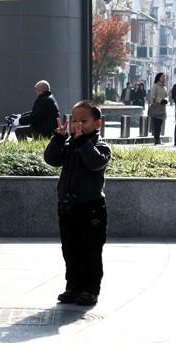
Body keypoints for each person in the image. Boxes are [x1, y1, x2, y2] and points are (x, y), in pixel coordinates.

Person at [44, 100, 111, 306]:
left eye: (84, 121)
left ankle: (90, 290)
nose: (77, 125)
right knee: (70, 249)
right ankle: (72, 286)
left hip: (91, 209)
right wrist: (59, 138)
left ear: (97, 124)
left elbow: (95, 162)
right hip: (67, 206)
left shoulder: (101, 146)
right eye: (74, 120)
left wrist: (82, 142)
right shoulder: (70, 144)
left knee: (90, 250)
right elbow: (51, 159)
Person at [148, 73, 168, 145]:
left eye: (164, 77)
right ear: (158, 77)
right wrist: (160, 100)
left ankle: (157, 138)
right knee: (157, 124)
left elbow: (166, 96)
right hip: (156, 107)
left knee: (160, 124)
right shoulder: (155, 86)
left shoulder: (165, 87)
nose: (164, 78)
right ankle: (156, 139)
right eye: (162, 77)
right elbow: (152, 96)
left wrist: (166, 100)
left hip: (163, 108)